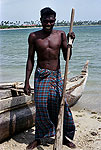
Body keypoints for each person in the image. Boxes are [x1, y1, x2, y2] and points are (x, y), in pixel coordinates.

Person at [24, 7, 76, 149]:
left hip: (56, 75)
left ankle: (63, 136)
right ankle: (39, 138)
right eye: (46, 20)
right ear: (41, 20)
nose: (49, 23)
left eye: (51, 21)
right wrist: (26, 81)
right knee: (40, 106)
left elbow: (67, 57)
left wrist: (71, 43)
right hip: (41, 75)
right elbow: (30, 59)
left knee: (60, 104)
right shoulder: (34, 36)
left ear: (54, 21)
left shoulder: (61, 35)